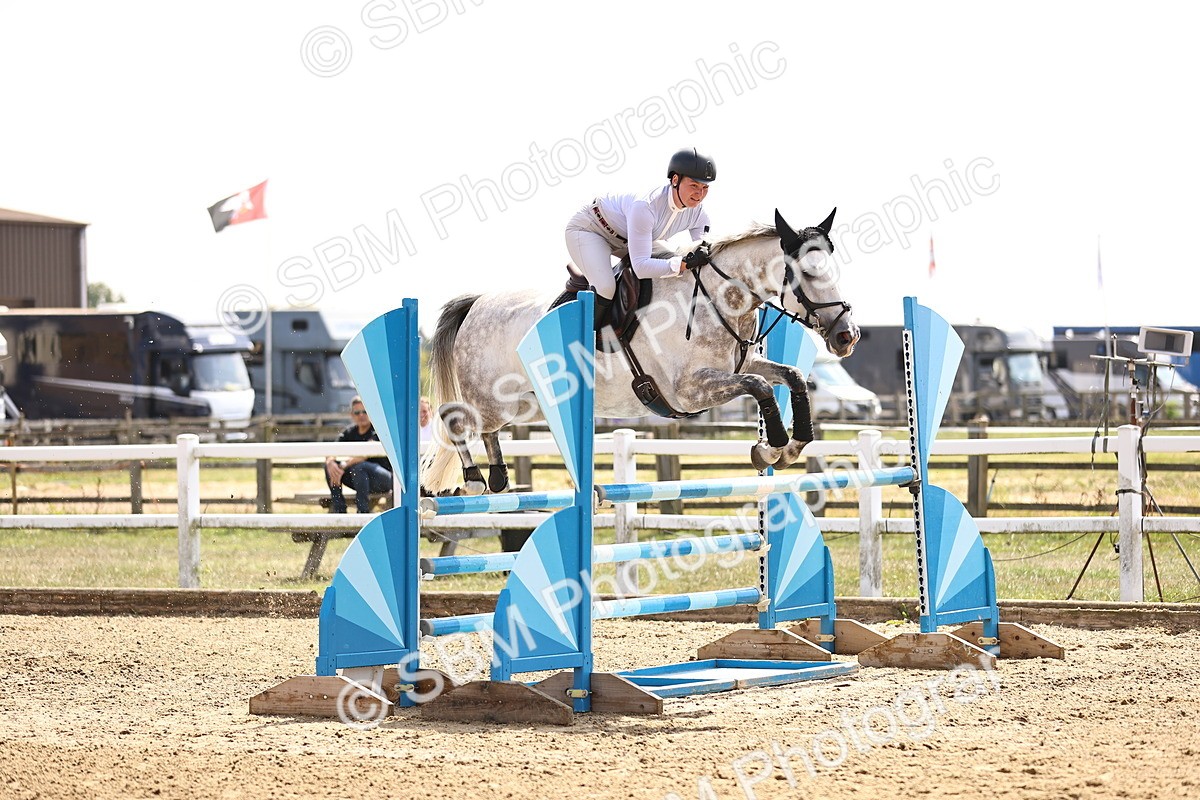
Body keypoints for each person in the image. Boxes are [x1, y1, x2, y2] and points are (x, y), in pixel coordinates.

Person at [563, 147, 717, 332]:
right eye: (694, 185)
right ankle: (583, 341)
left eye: (705, 188)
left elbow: (702, 255)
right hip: (591, 230)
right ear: (675, 180)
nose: (700, 194)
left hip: (629, 238)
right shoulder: (646, 206)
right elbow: (641, 267)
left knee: (673, 258)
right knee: (606, 288)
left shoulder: (699, 215)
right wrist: (683, 264)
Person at [324, 396, 393, 513]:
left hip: (384, 479)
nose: (361, 415)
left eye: (365, 412)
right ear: (352, 415)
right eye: (357, 412)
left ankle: (362, 512)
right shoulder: (349, 432)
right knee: (330, 467)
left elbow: (365, 454)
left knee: (360, 467)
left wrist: (343, 465)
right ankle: (339, 510)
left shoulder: (378, 431)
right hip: (359, 479)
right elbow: (332, 449)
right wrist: (330, 462)